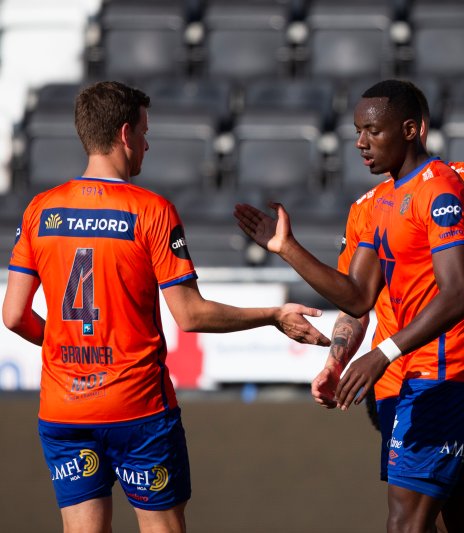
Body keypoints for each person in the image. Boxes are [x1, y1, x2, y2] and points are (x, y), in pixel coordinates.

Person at [2, 80, 330, 533]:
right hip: (137, 409)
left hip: (65, 411)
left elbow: (14, 316)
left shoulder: (40, 210)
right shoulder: (150, 211)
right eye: (143, 131)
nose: (147, 143)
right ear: (123, 134)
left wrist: (62, 346)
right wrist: (271, 316)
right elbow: (190, 315)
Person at [235, 79, 464, 533]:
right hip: (431, 378)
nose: (360, 142)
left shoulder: (442, 191)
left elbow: (459, 293)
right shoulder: (381, 203)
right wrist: (288, 248)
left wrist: (383, 353)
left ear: (412, 130)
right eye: (358, 130)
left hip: (445, 378)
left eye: (373, 131)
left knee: (405, 523)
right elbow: (357, 297)